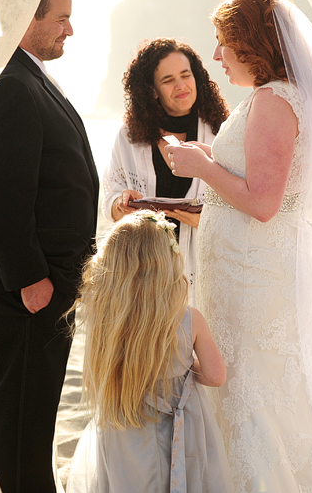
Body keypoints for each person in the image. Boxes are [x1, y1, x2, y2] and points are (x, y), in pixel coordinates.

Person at [168, 0, 312, 492]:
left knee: (259, 389)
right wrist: (210, 158)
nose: (215, 56)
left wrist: (202, 167)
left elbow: (263, 201)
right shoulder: (272, 98)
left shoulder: (275, 101)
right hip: (248, 269)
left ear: (250, 43)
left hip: (258, 280)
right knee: (252, 386)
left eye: (222, 42)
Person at [0, 0, 99, 493]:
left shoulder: (20, 75)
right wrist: (29, 279)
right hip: (25, 290)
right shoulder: (10, 86)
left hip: (36, 285)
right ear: (25, 19)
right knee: (20, 421)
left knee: (19, 417)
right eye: (60, 19)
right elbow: (1, 194)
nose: (70, 30)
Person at [65, 210, 232, 493]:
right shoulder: (189, 319)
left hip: (122, 428)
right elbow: (217, 376)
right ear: (168, 262)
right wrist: (185, 368)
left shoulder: (105, 317)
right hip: (178, 431)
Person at [103, 38, 228, 297]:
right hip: (142, 276)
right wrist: (122, 205)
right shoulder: (129, 136)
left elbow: (244, 205)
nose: (181, 85)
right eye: (168, 80)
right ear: (152, 90)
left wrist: (206, 219)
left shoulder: (222, 134)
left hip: (207, 277)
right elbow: (111, 198)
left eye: (186, 75)